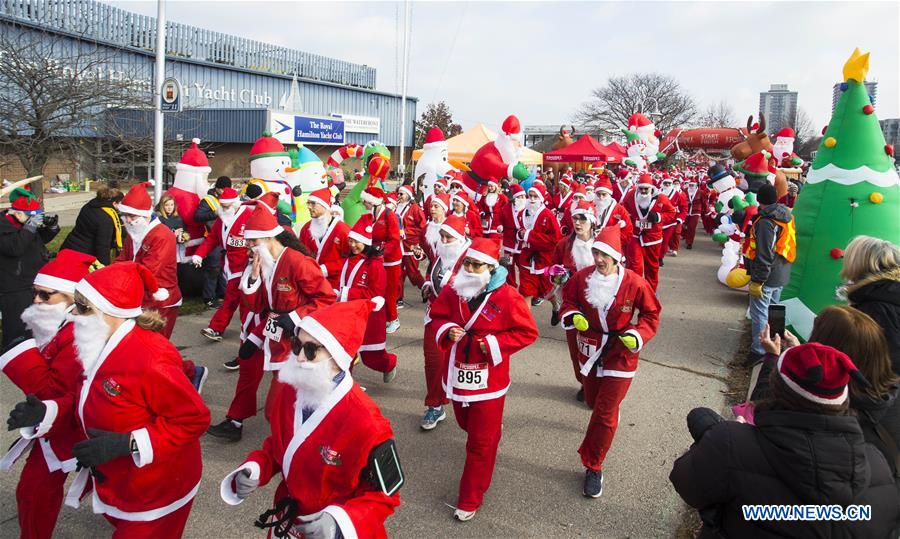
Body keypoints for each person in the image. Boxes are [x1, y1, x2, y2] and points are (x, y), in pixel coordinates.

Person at [6, 262, 211, 539]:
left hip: (157, 489)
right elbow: (84, 395)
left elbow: (194, 418)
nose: (74, 313)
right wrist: (47, 411)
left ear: (112, 311)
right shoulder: (98, 342)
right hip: (122, 480)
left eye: (83, 306)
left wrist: (128, 443)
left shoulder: (150, 358)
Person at [670, 343, 900, 538]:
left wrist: (716, 437)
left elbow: (687, 485)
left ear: (777, 388)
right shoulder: (879, 466)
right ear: (843, 399)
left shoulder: (731, 444)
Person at [220, 300, 402, 537]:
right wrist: (255, 467)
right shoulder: (290, 390)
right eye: (297, 345)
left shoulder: (368, 422)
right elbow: (279, 446)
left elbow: (385, 496)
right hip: (288, 521)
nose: (300, 358)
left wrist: (339, 523)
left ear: (338, 357)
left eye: (311, 350)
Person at [428, 238, 538, 521]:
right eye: (467, 262)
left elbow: (527, 332)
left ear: (490, 268)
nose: (470, 268)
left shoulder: (507, 296)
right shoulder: (455, 290)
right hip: (457, 374)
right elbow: (437, 315)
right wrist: (448, 329)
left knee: (479, 443)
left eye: (476, 265)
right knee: (467, 426)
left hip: (489, 380)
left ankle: (470, 497)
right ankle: (490, 433)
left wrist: (491, 344)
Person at [207, 204, 334, 442]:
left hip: (297, 347)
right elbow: (259, 308)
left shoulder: (298, 262)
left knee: (276, 408)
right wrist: (254, 279)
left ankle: (295, 446)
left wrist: (294, 317)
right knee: (280, 407)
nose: (247, 248)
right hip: (276, 343)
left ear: (267, 238)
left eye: (252, 243)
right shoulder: (263, 263)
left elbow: (326, 298)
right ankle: (289, 442)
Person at [0, 249, 94, 539]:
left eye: (45, 295)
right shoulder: (58, 326)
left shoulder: (81, 334)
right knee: (32, 492)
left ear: (72, 299)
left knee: (122, 497)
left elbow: (53, 390)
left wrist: (18, 358)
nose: (36, 300)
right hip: (57, 421)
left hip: (77, 427)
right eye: (35, 293)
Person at [561, 226, 661, 498]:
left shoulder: (634, 282)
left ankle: (593, 465)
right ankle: (607, 413)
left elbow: (651, 314)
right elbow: (567, 300)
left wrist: (637, 334)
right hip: (592, 348)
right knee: (594, 402)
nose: (599, 259)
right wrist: (572, 315)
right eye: (595, 252)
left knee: (604, 413)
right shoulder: (582, 278)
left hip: (621, 352)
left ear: (617, 257)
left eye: (605, 254)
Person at [420, 213, 469, 430]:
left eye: (449, 237)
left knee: (464, 364)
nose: (445, 241)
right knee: (432, 361)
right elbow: (434, 274)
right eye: (442, 236)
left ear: (460, 237)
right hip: (434, 317)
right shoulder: (440, 254)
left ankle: (476, 408)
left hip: (462, 320)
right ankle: (435, 405)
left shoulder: (470, 258)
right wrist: (428, 285)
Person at [115, 182, 183, 339]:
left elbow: (149, 270)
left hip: (162, 300)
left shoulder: (162, 235)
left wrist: (121, 280)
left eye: (132, 216)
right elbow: (122, 259)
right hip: (140, 297)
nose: (128, 221)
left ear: (145, 214)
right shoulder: (134, 231)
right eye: (125, 216)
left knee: (156, 346)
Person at [335, 218, 398, 382]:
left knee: (371, 358)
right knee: (343, 354)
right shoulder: (348, 260)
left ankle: (389, 364)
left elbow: (374, 292)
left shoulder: (375, 265)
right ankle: (342, 385)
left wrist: (345, 294)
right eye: (350, 240)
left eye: (357, 241)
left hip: (369, 318)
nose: (353, 245)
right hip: (347, 315)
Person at [0, 187, 59, 347]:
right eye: (31, 218)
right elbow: (15, 247)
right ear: (17, 213)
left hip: (32, 282)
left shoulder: (24, 224)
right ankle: (13, 357)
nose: (33, 222)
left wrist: (51, 228)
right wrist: (31, 226)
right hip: (14, 287)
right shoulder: (3, 226)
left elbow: (35, 241)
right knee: (17, 327)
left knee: (36, 324)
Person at [743, 183, 795, 364]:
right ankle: (775, 343)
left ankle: (759, 351)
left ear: (759, 200)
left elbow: (764, 254)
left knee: (760, 314)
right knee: (773, 312)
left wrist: (758, 280)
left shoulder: (766, 222)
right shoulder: (784, 215)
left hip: (768, 275)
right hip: (781, 272)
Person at [192, 188, 251, 341]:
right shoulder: (222, 219)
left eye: (226, 207)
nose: (223, 210)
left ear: (235, 204)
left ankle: (221, 328)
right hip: (228, 264)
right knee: (234, 298)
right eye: (222, 206)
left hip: (245, 266)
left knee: (236, 299)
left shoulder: (249, 216)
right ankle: (243, 331)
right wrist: (199, 254)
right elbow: (212, 239)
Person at [358, 184, 403, 334]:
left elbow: (395, 239)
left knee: (389, 291)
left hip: (390, 260)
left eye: (365, 201)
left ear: (372, 201)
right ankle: (380, 317)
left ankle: (394, 319)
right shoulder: (371, 215)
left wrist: (382, 252)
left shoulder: (389, 215)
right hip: (376, 258)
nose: (363, 203)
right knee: (377, 289)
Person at [621, 174, 675, 291]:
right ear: (638, 187)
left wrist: (658, 217)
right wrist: (627, 219)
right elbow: (623, 209)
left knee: (652, 267)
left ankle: (650, 292)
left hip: (653, 238)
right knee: (635, 265)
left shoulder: (661, 198)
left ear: (651, 188)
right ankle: (635, 290)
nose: (644, 191)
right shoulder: (631, 195)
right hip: (635, 236)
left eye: (646, 188)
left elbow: (671, 212)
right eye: (641, 188)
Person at [298, 187, 350, 291]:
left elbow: (351, 259)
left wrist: (326, 268)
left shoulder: (343, 230)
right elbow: (299, 253)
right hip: (310, 281)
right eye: (308, 203)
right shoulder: (306, 228)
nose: (309, 207)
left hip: (334, 283)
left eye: (313, 203)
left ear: (324, 205)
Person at [516, 184, 561, 305]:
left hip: (544, 259)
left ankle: (555, 305)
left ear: (541, 198)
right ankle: (525, 323)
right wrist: (520, 235)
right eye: (530, 196)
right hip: (527, 259)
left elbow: (555, 239)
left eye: (535, 196)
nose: (532, 199)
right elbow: (520, 231)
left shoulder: (548, 215)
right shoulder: (521, 214)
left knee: (546, 290)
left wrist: (529, 236)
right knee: (526, 292)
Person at [194, 176, 233, 308]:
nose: (224, 192)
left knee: (223, 268)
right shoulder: (208, 200)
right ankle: (208, 297)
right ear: (217, 188)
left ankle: (222, 294)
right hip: (212, 237)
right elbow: (198, 216)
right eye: (222, 189)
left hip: (225, 237)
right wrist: (215, 213)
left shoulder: (229, 199)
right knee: (213, 268)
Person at [60, 184, 123, 265]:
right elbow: (103, 247)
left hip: (69, 247)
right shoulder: (106, 218)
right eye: (121, 203)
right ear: (114, 203)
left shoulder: (90, 205)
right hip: (83, 255)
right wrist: (104, 267)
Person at [395, 184, 426, 308]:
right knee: (398, 273)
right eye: (398, 193)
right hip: (398, 245)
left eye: (401, 194)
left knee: (412, 273)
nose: (399, 196)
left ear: (408, 195)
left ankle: (425, 288)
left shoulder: (415, 208)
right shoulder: (396, 207)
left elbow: (423, 227)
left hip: (411, 245)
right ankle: (399, 298)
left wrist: (419, 244)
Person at [498, 184, 526, 287]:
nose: (523, 199)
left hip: (522, 242)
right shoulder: (506, 208)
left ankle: (525, 284)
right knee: (508, 264)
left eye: (524, 196)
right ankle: (511, 284)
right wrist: (500, 226)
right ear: (515, 198)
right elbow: (500, 219)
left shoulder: (527, 209)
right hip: (509, 240)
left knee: (522, 264)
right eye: (520, 197)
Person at [155, 194, 190, 261]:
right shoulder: (158, 219)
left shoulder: (178, 218)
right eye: (167, 205)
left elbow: (185, 231)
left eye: (172, 205)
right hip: (165, 254)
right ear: (162, 206)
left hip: (179, 253)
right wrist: (173, 234)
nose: (170, 207)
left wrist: (184, 237)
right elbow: (158, 238)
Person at [661, 176, 687, 260]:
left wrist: (680, 218)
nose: (667, 185)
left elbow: (684, 207)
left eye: (669, 183)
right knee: (660, 239)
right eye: (666, 183)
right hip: (659, 219)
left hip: (673, 219)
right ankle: (660, 254)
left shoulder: (677, 194)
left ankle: (673, 249)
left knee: (675, 233)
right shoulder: (658, 192)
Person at [476, 179, 507, 246]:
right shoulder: (484, 196)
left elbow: (506, 208)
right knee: (484, 238)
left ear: (496, 187)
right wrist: (481, 212)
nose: (490, 188)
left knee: (494, 239)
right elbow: (479, 206)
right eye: (489, 186)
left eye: (492, 186)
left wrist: (502, 221)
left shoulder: (502, 197)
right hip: (486, 219)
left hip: (496, 220)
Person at [680, 178, 707, 250]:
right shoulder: (685, 191)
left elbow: (704, 202)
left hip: (696, 211)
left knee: (692, 227)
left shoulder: (701, 192)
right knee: (684, 225)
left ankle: (689, 243)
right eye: (690, 185)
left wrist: (707, 210)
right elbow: (681, 200)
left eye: (693, 185)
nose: (691, 186)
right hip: (686, 211)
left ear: (696, 185)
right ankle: (685, 236)